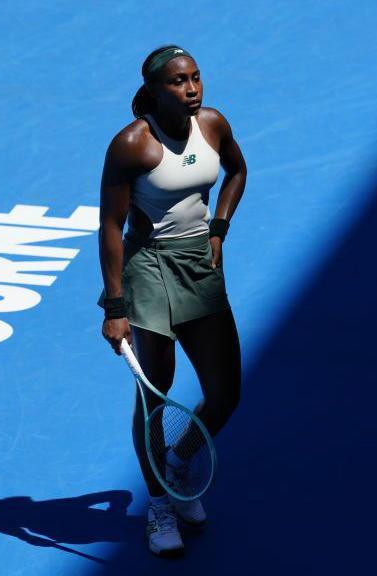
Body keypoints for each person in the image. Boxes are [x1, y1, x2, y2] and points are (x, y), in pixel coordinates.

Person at [96, 44, 246, 558]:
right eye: (179, 82)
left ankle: (179, 460)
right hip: (149, 270)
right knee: (155, 394)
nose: (192, 89)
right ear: (155, 91)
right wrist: (115, 308)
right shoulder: (131, 145)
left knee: (225, 393)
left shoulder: (214, 124)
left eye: (196, 78)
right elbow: (111, 227)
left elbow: (237, 171)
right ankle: (160, 501)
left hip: (199, 270)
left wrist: (219, 229)